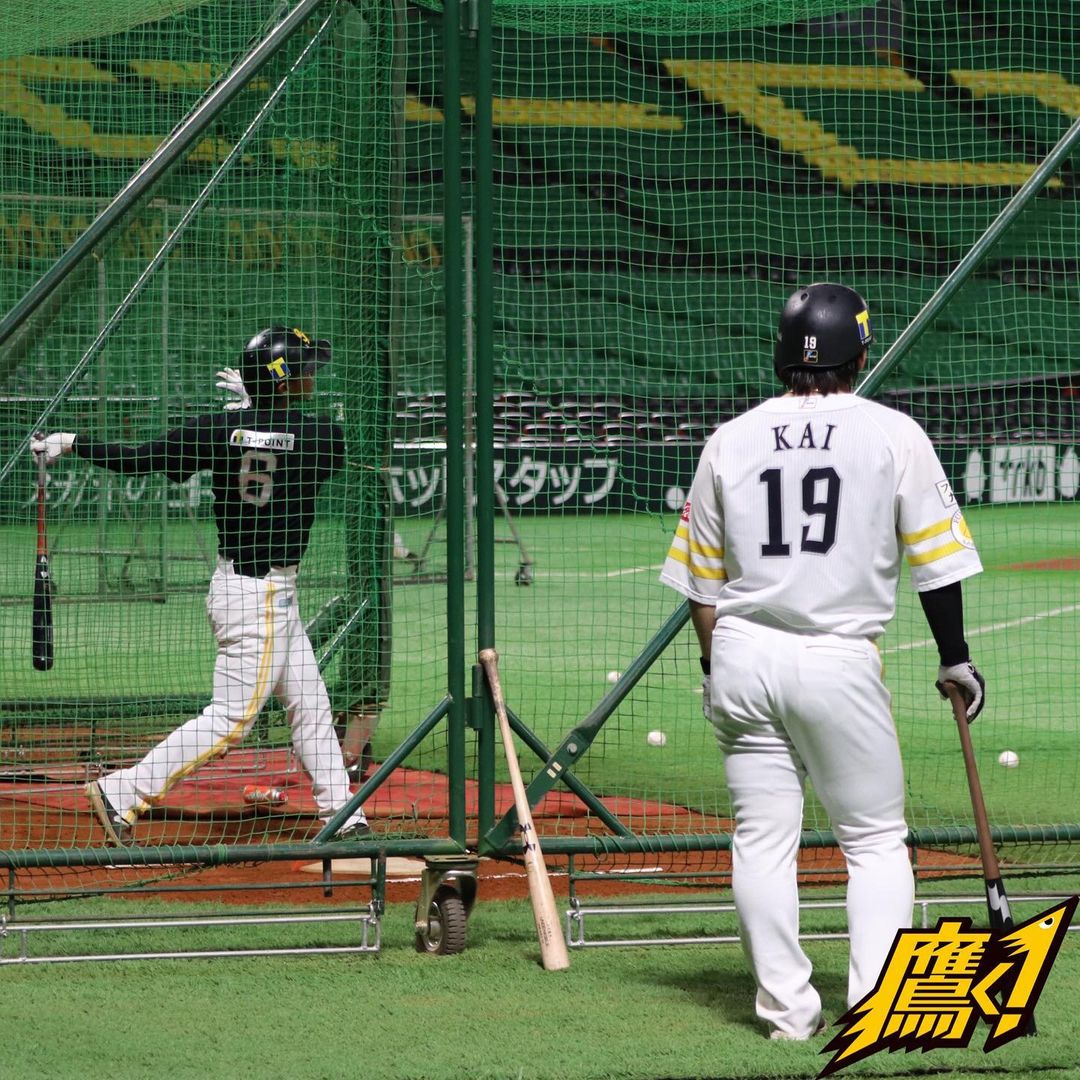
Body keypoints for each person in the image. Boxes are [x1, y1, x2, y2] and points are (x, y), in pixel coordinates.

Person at [659, 283, 985, 1040]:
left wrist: (714, 671)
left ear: (783, 353)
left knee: (761, 840)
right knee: (873, 841)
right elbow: (937, 566)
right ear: (859, 354)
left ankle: (787, 1014)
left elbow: (702, 587)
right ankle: (877, 1010)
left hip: (741, 652)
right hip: (838, 658)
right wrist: (956, 659)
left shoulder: (729, 438)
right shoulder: (893, 433)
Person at [31, 325, 370, 845]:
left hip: (244, 591)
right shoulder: (322, 436)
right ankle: (122, 791)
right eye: (303, 370)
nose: (312, 377)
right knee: (231, 720)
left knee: (310, 704)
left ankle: (343, 815)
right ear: (280, 383)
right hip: (259, 601)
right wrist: (254, 415)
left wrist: (75, 442)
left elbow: (140, 458)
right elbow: (294, 440)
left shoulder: (215, 430)